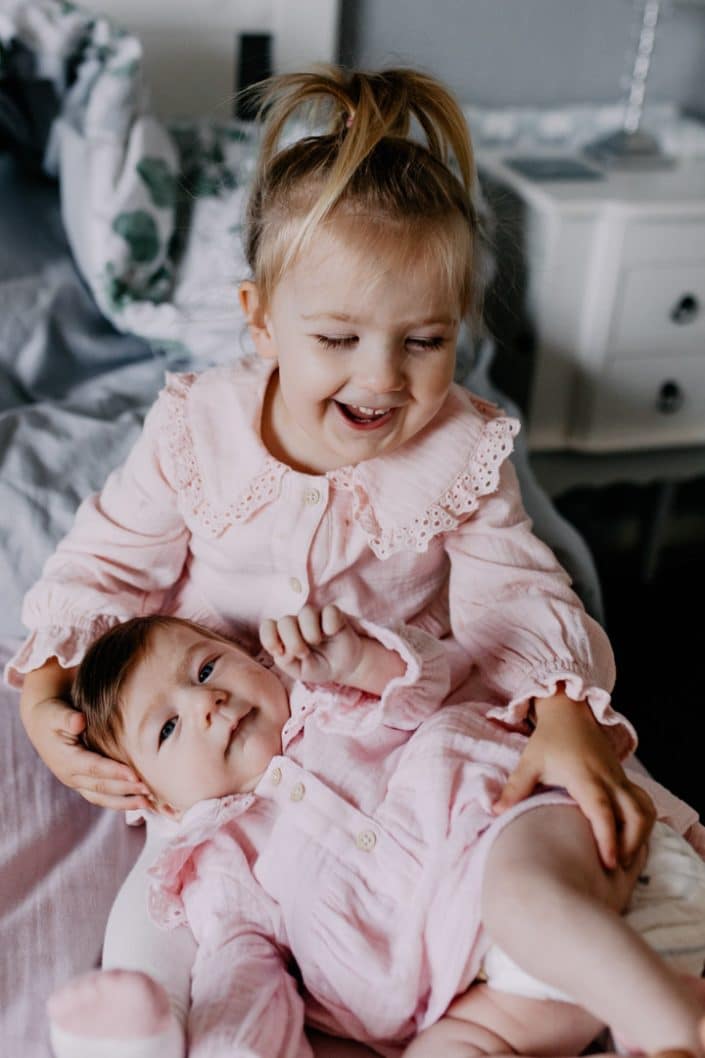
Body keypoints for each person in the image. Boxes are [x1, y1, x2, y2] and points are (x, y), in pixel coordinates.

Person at [8, 65, 656, 1038]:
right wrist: (45, 687)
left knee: (534, 850)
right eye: (339, 336)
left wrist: (564, 715)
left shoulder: (461, 447)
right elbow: (100, 566)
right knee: (162, 914)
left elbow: (517, 591)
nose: (382, 377)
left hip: (388, 725)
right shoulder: (198, 427)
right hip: (221, 763)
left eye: (425, 340)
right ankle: (138, 1035)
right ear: (260, 321)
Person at [47, 607, 705, 1058]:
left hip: (532, 839)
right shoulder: (220, 868)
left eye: (206, 669)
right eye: (167, 728)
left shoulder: (326, 703)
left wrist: (356, 658)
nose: (205, 703)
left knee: (522, 902)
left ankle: (674, 1031)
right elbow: (242, 979)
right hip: (492, 997)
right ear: (156, 798)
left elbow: (422, 682)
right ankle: (654, 1007)